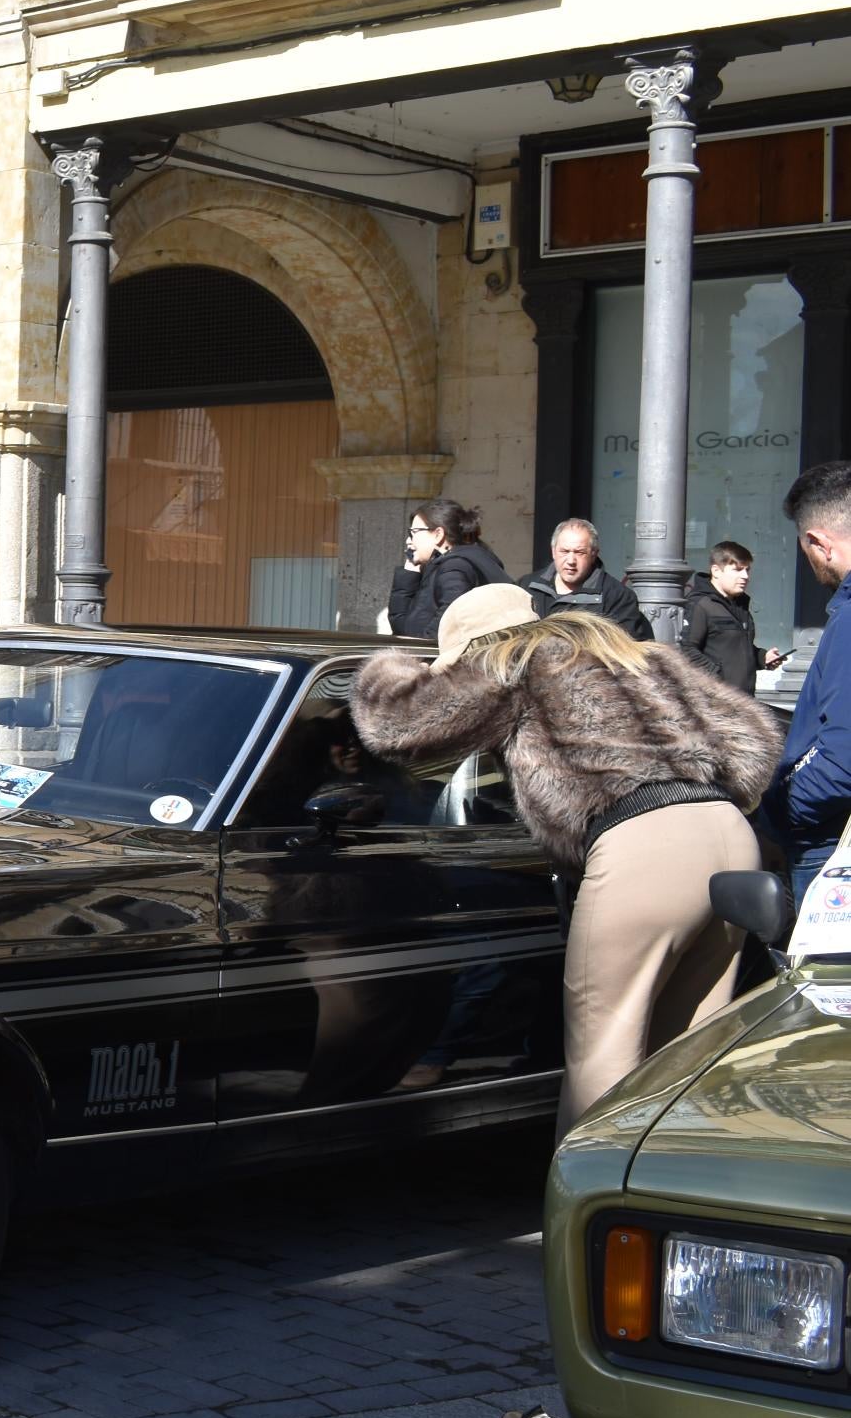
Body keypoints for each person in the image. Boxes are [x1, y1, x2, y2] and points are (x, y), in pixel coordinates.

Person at [352, 584, 780, 1126]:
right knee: (687, 1054)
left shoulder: (508, 660)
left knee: (603, 1052)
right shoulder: (634, 652)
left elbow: (394, 726)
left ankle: (583, 1204)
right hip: (728, 835)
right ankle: (677, 1198)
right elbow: (755, 743)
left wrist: (388, 662)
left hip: (643, 847)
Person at [768, 462, 851, 895]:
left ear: (819, 542)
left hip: (831, 850)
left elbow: (842, 760)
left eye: (806, 550)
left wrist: (781, 811)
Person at [386, 498, 510, 641]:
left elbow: (438, 638)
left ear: (438, 534)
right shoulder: (462, 564)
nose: (409, 541)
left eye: (414, 532)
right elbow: (403, 629)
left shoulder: (453, 569)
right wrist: (409, 574)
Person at [524, 518, 652, 641]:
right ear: (553, 552)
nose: (571, 561)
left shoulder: (617, 598)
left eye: (579, 553)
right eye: (564, 551)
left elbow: (625, 652)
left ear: (593, 554)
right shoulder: (526, 587)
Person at [679, 540, 782, 688]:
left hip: (742, 699)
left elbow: (734, 646)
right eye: (737, 570)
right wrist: (719, 678)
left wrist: (762, 657)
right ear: (716, 571)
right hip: (716, 701)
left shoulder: (739, 604)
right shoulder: (701, 604)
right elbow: (687, 651)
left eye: (747, 570)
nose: (745, 576)